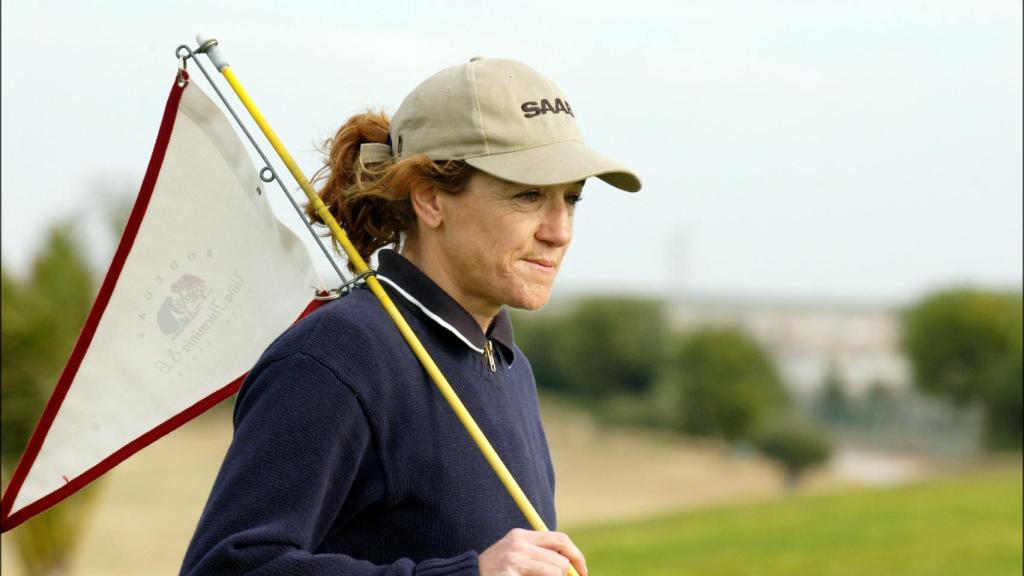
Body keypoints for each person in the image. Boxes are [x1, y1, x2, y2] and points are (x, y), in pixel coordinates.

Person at [180, 56, 641, 576]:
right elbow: (227, 567)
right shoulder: (335, 357)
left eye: (572, 199)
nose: (559, 231)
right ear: (430, 199)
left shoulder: (510, 365)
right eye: (529, 195)